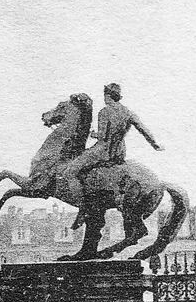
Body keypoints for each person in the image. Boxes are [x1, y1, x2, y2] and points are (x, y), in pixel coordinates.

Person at [65, 83, 163, 229]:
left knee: (70, 171)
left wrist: (93, 134)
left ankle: (82, 208)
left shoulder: (104, 112)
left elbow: (103, 137)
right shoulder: (128, 112)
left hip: (102, 152)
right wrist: (155, 145)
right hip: (119, 152)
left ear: (107, 96)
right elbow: (144, 129)